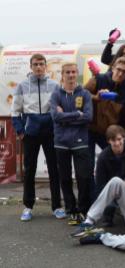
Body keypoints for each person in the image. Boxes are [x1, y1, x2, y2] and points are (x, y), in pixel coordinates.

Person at [11, 53, 65, 221]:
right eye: (35, 64)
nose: (39, 67)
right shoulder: (22, 86)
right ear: (31, 66)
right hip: (31, 134)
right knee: (29, 171)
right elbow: (15, 111)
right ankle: (28, 206)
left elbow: (60, 108)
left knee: (54, 170)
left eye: (41, 64)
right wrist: (21, 131)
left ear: (46, 66)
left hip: (50, 133)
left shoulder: (55, 85)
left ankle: (57, 206)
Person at [50, 62, 93, 224]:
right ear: (62, 74)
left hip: (80, 141)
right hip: (61, 142)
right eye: (67, 72)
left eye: (73, 72)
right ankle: (71, 208)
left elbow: (88, 117)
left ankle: (83, 209)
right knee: (65, 178)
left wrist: (65, 117)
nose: (71, 75)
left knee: (83, 177)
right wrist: (76, 114)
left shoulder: (85, 94)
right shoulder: (56, 95)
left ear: (77, 74)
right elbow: (55, 117)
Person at [85, 56, 125, 197]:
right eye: (118, 70)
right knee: (88, 167)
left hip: (108, 132)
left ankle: (111, 196)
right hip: (89, 129)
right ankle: (92, 200)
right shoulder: (98, 79)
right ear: (112, 68)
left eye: (124, 72)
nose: (120, 74)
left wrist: (124, 135)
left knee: (115, 163)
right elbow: (81, 95)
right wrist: (96, 97)